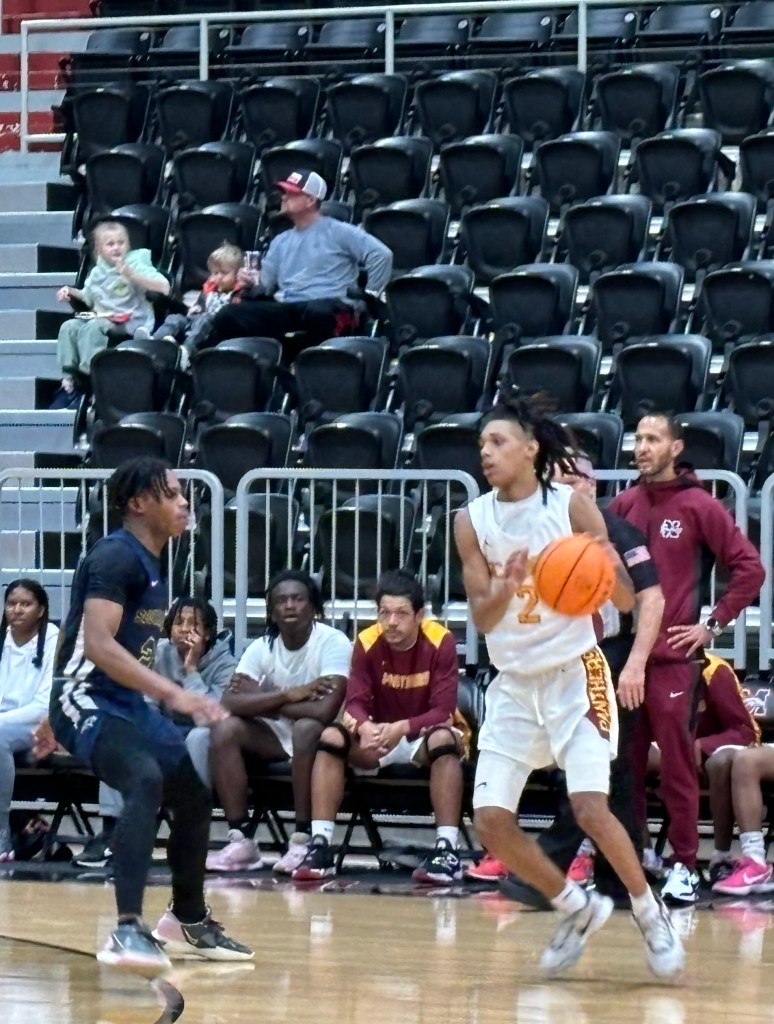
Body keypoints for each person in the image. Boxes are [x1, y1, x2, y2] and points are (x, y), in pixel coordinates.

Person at [454, 392, 684, 979]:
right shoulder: (471, 519)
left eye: (498, 441)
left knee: (589, 806)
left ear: (532, 450)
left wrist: (602, 570)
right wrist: (510, 583)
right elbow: (481, 617)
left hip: (576, 675)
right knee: (490, 822)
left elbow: (628, 603)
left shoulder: (572, 508)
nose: (486, 452)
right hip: (512, 683)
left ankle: (645, 907)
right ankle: (574, 907)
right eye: (482, 444)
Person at [40, 457, 252, 971]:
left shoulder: (155, 560)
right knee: (143, 777)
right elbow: (97, 645)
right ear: (138, 504)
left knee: (193, 793)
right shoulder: (116, 555)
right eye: (173, 493)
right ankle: (127, 930)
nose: (185, 502)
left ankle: (187, 919)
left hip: (126, 703)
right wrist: (175, 694)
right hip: (86, 695)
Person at [609, 412, 765, 904]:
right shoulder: (623, 504)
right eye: (638, 439)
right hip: (625, 656)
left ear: (676, 448)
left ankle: (684, 863)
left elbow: (750, 569)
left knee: (678, 763)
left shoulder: (700, 504)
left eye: (653, 439)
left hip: (674, 658)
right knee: (625, 764)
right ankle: (632, 858)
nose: (642, 447)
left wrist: (711, 625)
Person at [498, 452, 665, 902]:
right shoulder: (538, 535)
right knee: (615, 774)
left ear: (591, 485)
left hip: (607, 656)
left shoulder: (619, 533)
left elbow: (652, 599)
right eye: (558, 481)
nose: (568, 489)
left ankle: (545, 873)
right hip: (558, 657)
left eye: (574, 480)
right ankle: (621, 883)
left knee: (595, 771)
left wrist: (634, 664)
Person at [293, 569, 469, 884]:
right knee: (332, 736)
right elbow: (356, 700)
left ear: (419, 615)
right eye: (384, 613)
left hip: (423, 737)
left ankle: (447, 848)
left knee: (444, 739)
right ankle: (320, 845)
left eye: (401, 613)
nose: (391, 622)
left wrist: (402, 727)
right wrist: (362, 726)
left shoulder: (440, 641)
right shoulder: (366, 640)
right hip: (379, 738)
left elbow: (442, 710)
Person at [75, 596, 237, 869]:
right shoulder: (156, 653)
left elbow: (212, 718)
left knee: (199, 738)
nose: (185, 629)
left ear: (208, 632)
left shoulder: (225, 664)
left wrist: (191, 670)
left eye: (194, 624)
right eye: (179, 623)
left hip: (202, 741)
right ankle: (113, 831)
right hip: (166, 736)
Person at [206, 570, 351, 874]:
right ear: (271, 611)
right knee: (224, 727)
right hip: (275, 733)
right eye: (281, 600)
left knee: (306, 728)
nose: (289, 605)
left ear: (313, 608)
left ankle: (302, 838)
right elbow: (229, 702)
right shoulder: (262, 647)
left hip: (326, 739)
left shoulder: (333, 643)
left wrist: (267, 699)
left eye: (298, 599)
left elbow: (325, 711)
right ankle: (240, 839)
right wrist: (290, 695)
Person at [208, 169, 393, 361]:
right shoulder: (280, 241)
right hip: (289, 307)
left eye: (291, 193)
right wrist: (249, 282)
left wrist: (371, 295)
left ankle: (310, 360)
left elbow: (381, 255)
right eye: (284, 192)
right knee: (229, 314)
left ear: (311, 200)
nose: (284, 197)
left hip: (329, 306)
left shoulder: (339, 231)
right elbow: (264, 285)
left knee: (319, 312)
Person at [53, 220, 170, 403]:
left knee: (94, 328)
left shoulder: (135, 263)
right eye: (110, 244)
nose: (116, 248)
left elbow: (164, 287)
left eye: (121, 243)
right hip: (104, 318)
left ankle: (90, 377)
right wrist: (70, 293)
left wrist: (131, 275)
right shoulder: (97, 272)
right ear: (99, 249)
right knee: (69, 326)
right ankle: (69, 376)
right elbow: (88, 298)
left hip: (131, 321)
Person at [0, 579, 59, 861]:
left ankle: (1, 834)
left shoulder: (53, 639)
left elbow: (43, 705)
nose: (17, 610)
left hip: (38, 723)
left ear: (41, 609)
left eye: (26, 604)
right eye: (11, 604)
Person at [134, 241, 244, 364]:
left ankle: (186, 352)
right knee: (175, 318)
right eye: (215, 273)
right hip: (196, 321)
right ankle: (155, 342)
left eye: (224, 273)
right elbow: (199, 307)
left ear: (238, 274)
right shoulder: (210, 288)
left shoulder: (239, 294)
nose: (218, 278)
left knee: (205, 318)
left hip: (214, 329)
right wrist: (195, 308)